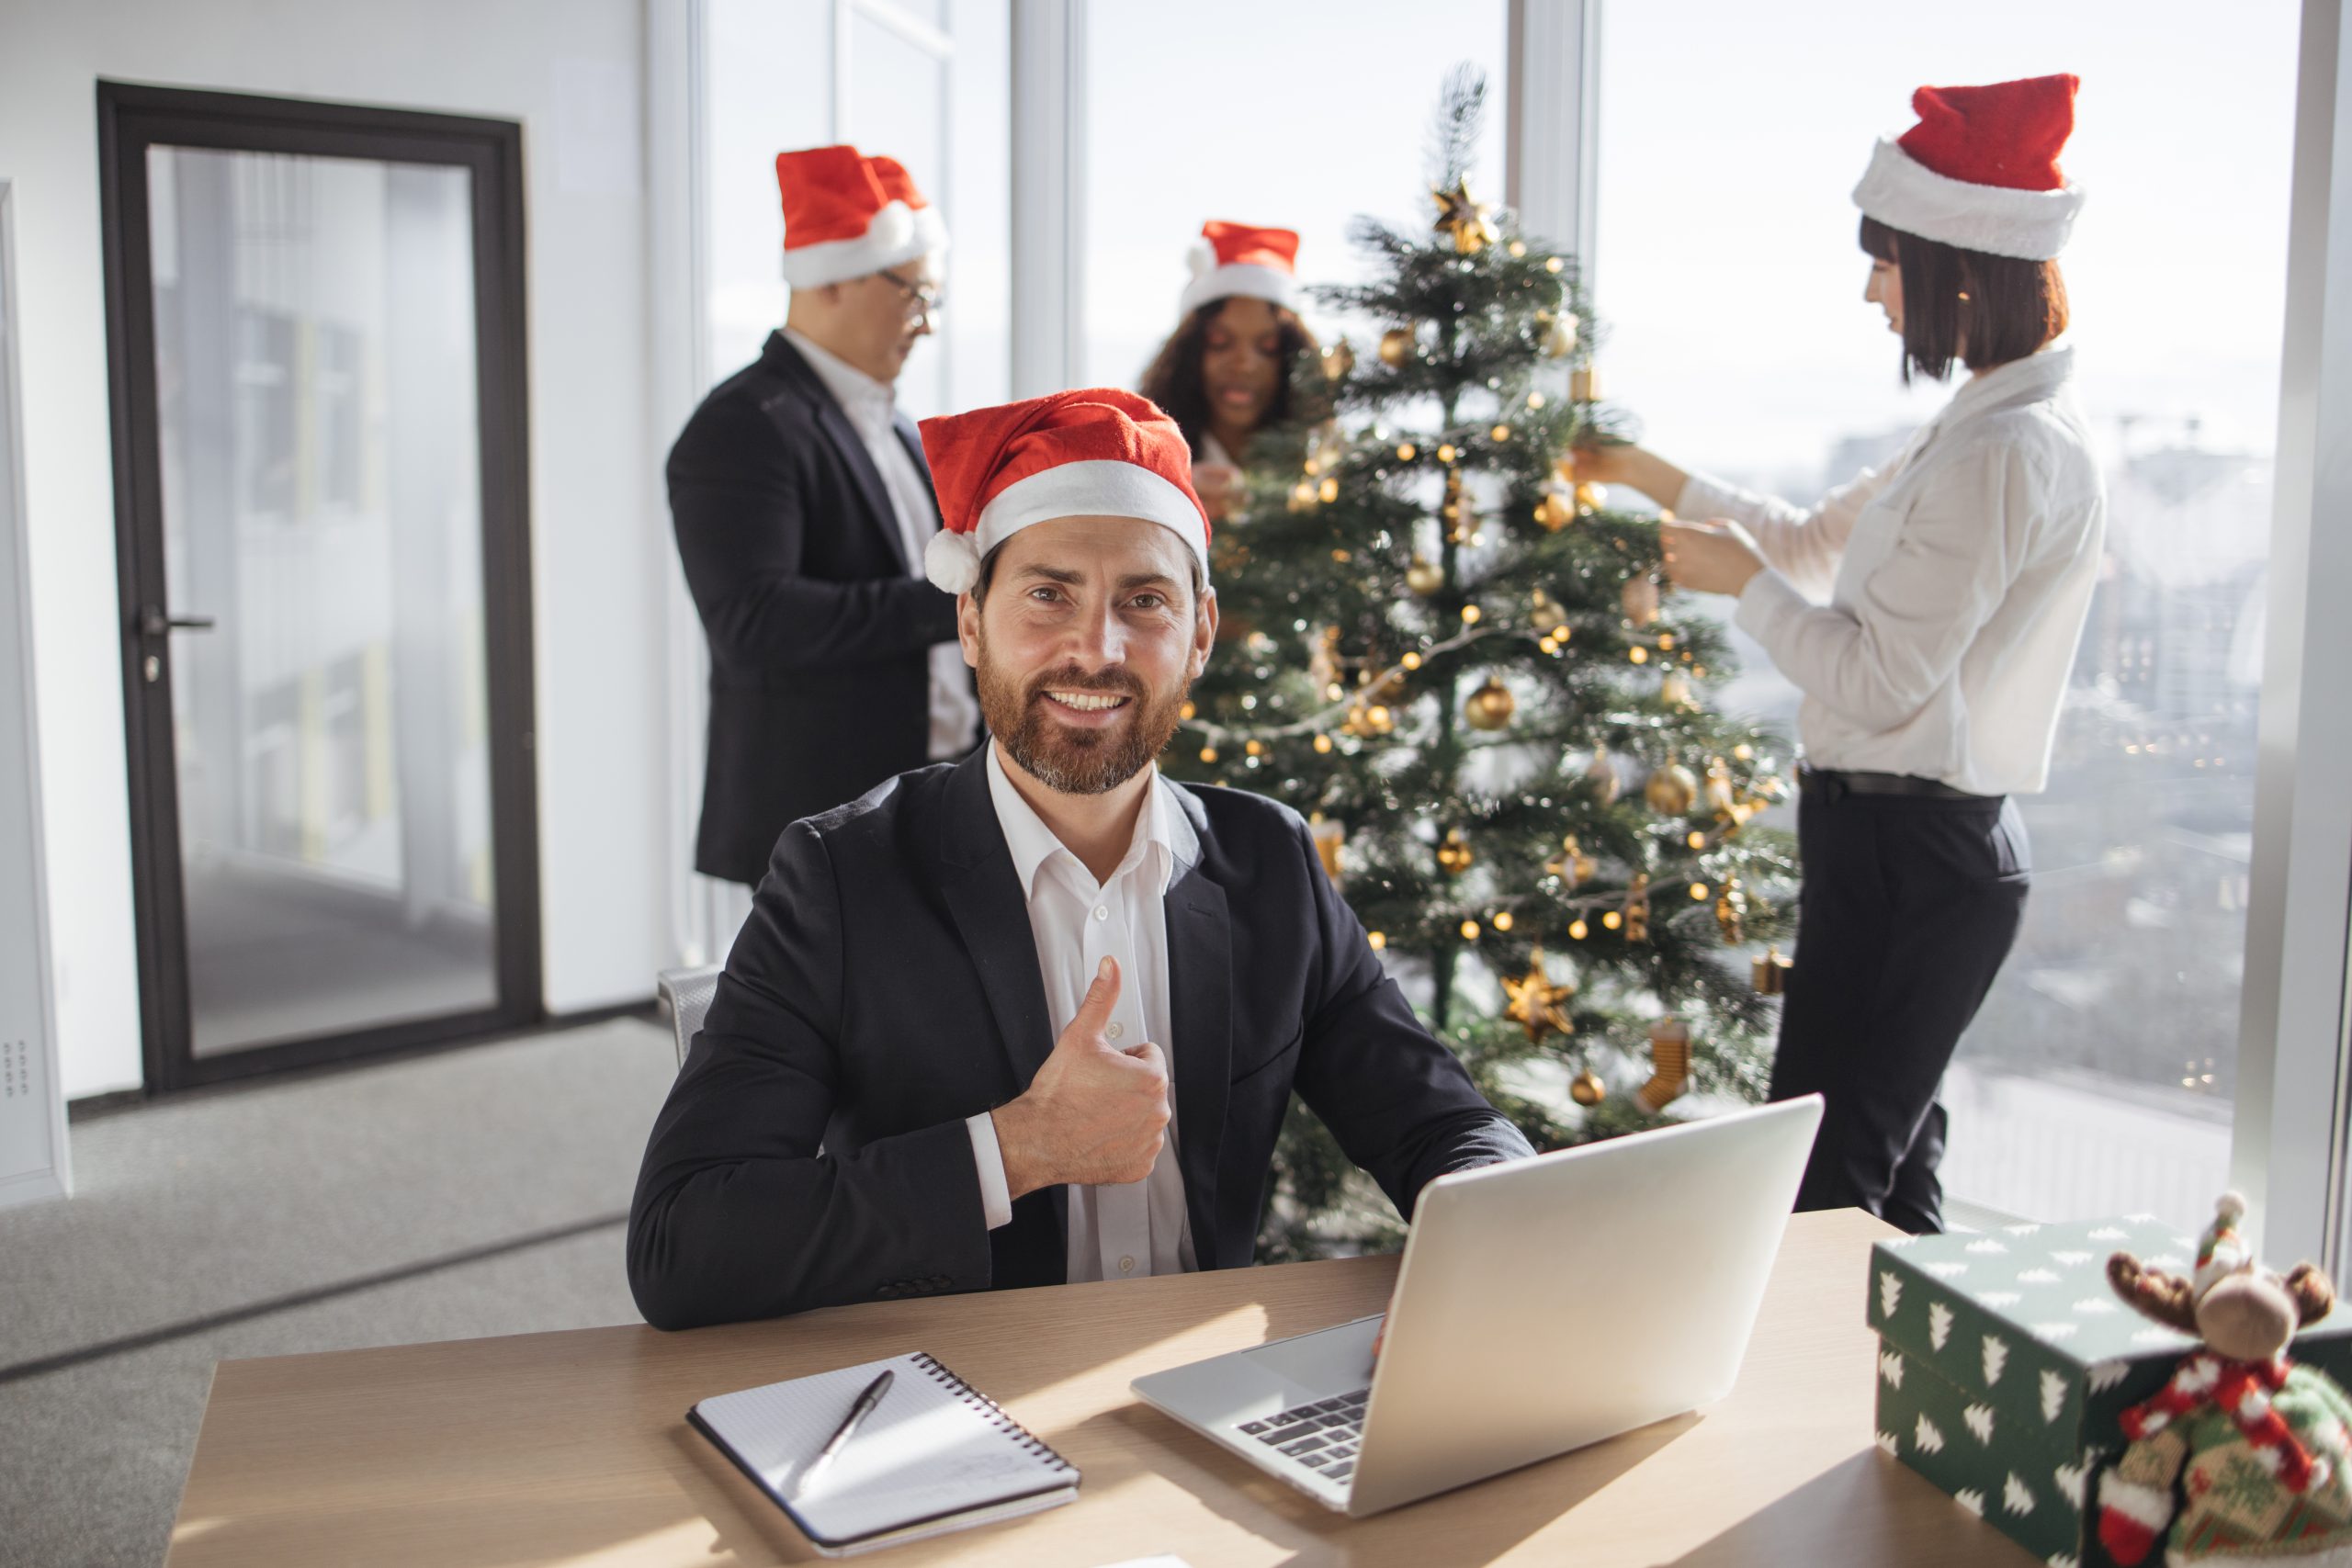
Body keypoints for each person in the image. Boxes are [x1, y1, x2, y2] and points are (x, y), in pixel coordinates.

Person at [628, 389, 1532, 1329]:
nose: (1094, 651)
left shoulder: (1272, 863)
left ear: (1201, 636)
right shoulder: (840, 879)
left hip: (1207, 1402)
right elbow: (682, 1244)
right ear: (971, 623)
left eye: (1143, 601)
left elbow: (1441, 1123)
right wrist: (1018, 1148)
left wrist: (1502, 1216)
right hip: (961, 1412)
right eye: (1048, 595)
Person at [1580, 75, 2103, 1235]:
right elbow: (1815, 543)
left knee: (1828, 1183)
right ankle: (1912, 1401)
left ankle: (1828, 1407)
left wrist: (1740, 589)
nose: (1871, 289)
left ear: (1962, 263)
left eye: (1886, 259)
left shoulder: (2002, 451)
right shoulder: (1973, 424)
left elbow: (1876, 677)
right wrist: (1642, 475)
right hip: (1884, 838)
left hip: (1918, 852)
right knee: (1884, 1159)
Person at [668, 144, 979, 887]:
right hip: (824, 823)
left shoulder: (901, 427)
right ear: (838, 278)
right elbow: (755, 622)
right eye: (916, 295)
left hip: (934, 798)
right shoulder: (744, 422)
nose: (926, 324)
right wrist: (967, 596)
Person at [1138, 221, 1317, 521]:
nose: (1244, 364)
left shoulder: (1323, 470)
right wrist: (1171, 498)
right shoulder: (1144, 472)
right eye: (1220, 343)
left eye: (1268, 347)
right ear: (1189, 355)